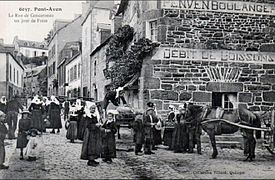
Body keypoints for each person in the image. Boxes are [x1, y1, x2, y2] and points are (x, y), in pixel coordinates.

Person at [80, 102, 102, 166]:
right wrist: (95, 125)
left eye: (94, 108)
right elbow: (87, 125)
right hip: (90, 133)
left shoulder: (94, 115)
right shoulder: (87, 116)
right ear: (89, 109)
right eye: (92, 108)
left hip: (94, 132)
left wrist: (98, 125)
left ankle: (93, 159)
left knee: (94, 146)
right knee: (90, 147)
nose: (93, 110)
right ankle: (90, 160)